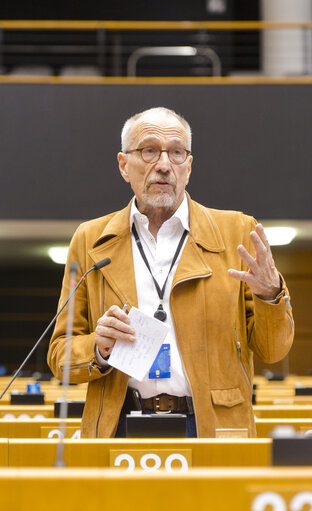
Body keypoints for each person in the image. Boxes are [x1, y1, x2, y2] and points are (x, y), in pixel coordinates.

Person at [48, 106, 294, 438]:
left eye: (176, 153)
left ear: (188, 167)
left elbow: (274, 350)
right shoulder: (90, 240)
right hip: (118, 423)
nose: (164, 164)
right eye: (149, 150)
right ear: (124, 165)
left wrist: (270, 294)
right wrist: (99, 348)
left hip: (213, 427)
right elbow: (59, 356)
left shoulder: (238, 233)